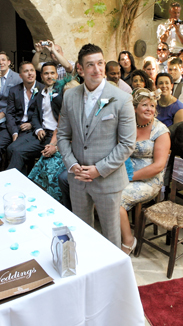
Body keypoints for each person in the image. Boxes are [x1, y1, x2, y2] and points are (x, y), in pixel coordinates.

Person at [57, 43, 136, 248]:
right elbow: (63, 135)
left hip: (107, 180)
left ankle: (111, 278)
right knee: (81, 232)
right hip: (78, 178)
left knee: (111, 237)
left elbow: (127, 144)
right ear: (80, 69)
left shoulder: (122, 98)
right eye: (90, 65)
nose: (97, 69)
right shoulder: (70, 96)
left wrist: (98, 170)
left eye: (100, 63)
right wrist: (73, 166)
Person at [119, 88, 170, 255]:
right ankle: (111, 234)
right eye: (145, 105)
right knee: (100, 190)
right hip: (125, 173)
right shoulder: (128, 124)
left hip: (149, 180)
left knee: (115, 199)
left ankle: (128, 241)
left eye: (152, 106)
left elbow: (159, 166)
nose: (149, 109)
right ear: (135, 108)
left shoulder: (160, 131)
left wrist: (130, 177)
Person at [0, 61, 43, 175]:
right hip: (14, 125)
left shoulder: (42, 89)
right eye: (26, 71)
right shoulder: (14, 90)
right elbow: (9, 113)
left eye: (32, 70)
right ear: (20, 76)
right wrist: (14, 131)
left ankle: (12, 177)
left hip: (30, 129)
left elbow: (44, 115)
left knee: (13, 149)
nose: (30, 74)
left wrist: (32, 124)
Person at [27, 66, 67, 202]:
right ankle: (36, 199)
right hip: (57, 142)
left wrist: (55, 148)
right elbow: (59, 129)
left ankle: (56, 202)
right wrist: (51, 145)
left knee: (51, 168)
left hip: (71, 150)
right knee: (41, 164)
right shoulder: (64, 112)